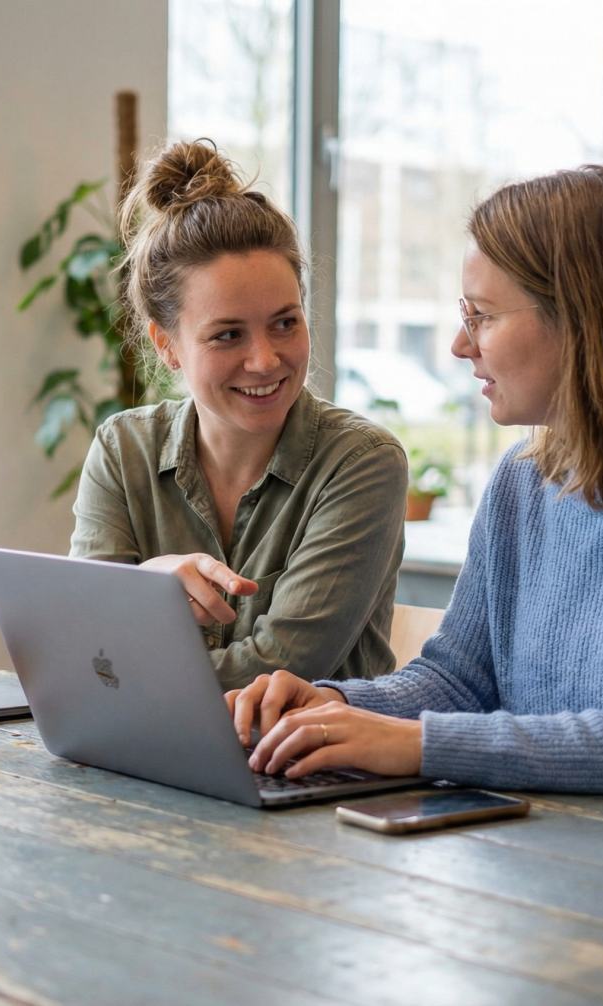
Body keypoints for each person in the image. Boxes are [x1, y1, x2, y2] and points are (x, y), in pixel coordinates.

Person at [227, 165, 603, 829]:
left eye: (482, 316)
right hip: (576, 859)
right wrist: (328, 709)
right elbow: (459, 681)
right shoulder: (522, 480)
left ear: (585, 319)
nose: (459, 344)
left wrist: (417, 746)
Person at [70, 140, 408, 691]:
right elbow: (77, 635)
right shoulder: (122, 448)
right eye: (228, 334)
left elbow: (280, 668)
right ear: (167, 345)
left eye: (285, 323)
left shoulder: (362, 463)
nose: (265, 359)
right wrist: (145, 588)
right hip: (146, 755)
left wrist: (117, 665)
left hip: (310, 770)